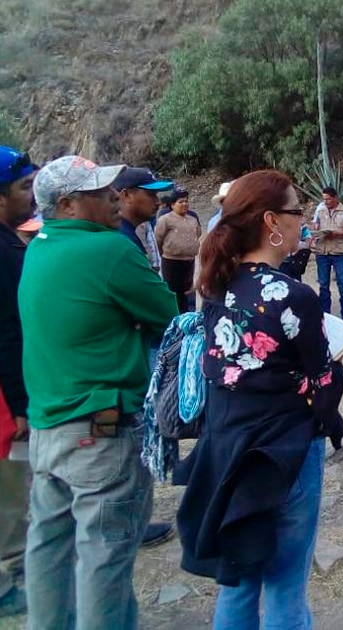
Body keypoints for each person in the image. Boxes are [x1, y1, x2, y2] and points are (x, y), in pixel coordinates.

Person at [176, 170, 343, 630]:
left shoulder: (214, 285)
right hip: (284, 454)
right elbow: (324, 381)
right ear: (272, 220)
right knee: (287, 588)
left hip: (227, 451)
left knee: (237, 582)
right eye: (296, 212)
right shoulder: (294, 297)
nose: (302, 222)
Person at [21, 155, 179, 629]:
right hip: (100, 433)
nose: (114, 197)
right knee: (105, 558)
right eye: (98, 192)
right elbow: (168, 313)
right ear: (67, 204)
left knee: (48, 548)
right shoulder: (108, 251)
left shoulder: (38, 247)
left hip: (49, 431)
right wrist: (132, 320)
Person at [112, 166, 182, 548]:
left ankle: (134, 522)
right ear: (124, 195)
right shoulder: (118, 241)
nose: (158, 199)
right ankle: (130, 527)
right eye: (149, 192)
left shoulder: (130, 235)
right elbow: (161, 307)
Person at [0, 146, 37, 619]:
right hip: (6, 399)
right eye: (24, 188)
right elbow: (8, 329)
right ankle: (6, 578)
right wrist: (21, 403)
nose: (32, 198)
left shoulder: (10, 242)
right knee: (8, 485)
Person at [155, 186, 203, 313]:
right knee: (172, 291)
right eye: (180, 202)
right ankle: (172, 315)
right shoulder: (165, 219)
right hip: (171, 261)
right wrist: (165, 252)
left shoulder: (193, 218)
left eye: (186, 201)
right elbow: (158, 239)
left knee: (187, 290)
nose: (184, 204)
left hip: (189, 261)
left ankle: (188, 315)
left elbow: (198, 234)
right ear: (172, 204)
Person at [312, 186, 343, 315]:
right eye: (324, 199)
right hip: (322, 252)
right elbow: (315, 228)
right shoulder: (320, 211)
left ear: (335, 198)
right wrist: (316, 234)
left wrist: (337, 234)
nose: (325, 202)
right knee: (323, 285)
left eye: (328, 199)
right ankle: (325, 315)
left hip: (339, 252)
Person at [114, 167, 174, 252]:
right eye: (151, 194)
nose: (158, 202)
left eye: (156, 195)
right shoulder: (122, 242)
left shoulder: (127, 234)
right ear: (127, 195)